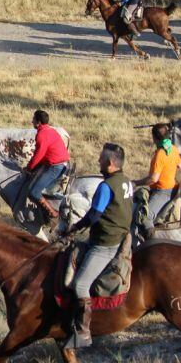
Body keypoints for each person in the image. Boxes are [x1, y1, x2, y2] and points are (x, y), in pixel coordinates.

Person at [64, 143, 133, 349]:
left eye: (101, 159)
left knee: (80, 285)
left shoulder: (105, 186)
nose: (98, 161)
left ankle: (84, 333)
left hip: (105, 243)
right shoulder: (126, 181)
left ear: (111, 163)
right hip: (122, 236)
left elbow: (94, 215)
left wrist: (74, 227)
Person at [135, 123, 181, 233]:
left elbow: (153, 179)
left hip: (163, 191)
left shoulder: (160, 154)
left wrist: (136, 183)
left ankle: (150, 245)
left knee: (145, 218)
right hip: (174, 186)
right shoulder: (173, 149)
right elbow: (180, 166)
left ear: (154, 138)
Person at [23, 110, 70, 221]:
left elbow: (39, 154)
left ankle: (52, 213)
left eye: (33, 119)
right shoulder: (51, 130)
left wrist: (29, 168)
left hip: (55, 166)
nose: (32, 121)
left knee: (33, 192)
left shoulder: (41, 135)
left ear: (38, 122)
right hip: (61, 162)